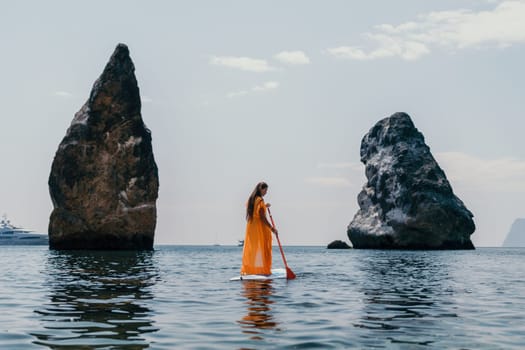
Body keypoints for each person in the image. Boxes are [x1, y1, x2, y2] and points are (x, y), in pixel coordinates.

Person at [240, 182, 278, 276]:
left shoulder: (251, 199)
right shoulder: (260, 200)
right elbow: (261, 217)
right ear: (261, 189)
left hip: (251, 227)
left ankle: (251, 270)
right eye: (265, 190)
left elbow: (255, 212)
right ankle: (260, 270)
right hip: (258, 228)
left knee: (254, 248)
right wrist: (272, 228)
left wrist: (265, 206)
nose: (266, 192)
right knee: (261, 247)